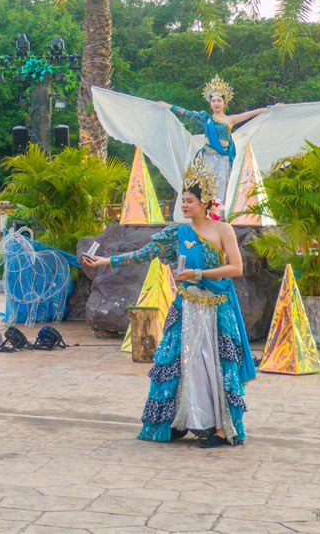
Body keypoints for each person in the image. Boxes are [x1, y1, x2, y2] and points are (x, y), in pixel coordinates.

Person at [82, 163, 254, 448]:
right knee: (182, 364)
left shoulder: (223, 230)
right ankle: (181, 420)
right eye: (182, 200)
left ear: (204, 202)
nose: (184, 205)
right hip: (186, 307)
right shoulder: (177, 234)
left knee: (214, 365)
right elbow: (144, 253)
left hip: (216, 309)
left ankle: (222, 429)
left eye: (189, 200)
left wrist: (196, 275)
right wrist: (106, 261)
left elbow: (235, 268)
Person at [157, 76, 278, 214]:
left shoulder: (230, 119)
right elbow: (186, 112)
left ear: (224, 103)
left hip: (224, 159)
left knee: (223, 187)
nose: (216, 103)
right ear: (209, 103)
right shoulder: (206, 119)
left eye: (219, 100)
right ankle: (206, 214)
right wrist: (167, 105)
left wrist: (271, 108)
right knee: (207, 187)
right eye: (213, 100)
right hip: (208, 159)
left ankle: (219, 216)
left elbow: (251, 114)